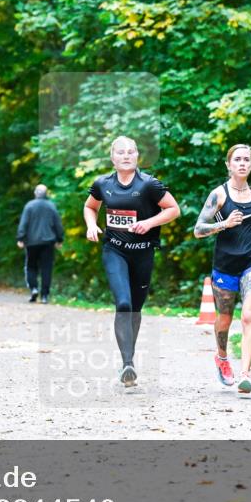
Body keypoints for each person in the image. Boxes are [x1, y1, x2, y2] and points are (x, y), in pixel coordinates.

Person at [83, 136, 181, 388]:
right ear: (112, 158)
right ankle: (128, 364)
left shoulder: (149, 184)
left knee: (135, 308)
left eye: (130, 152)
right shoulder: (102, 184)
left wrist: (149, 223)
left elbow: (173, 209)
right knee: (124, 303)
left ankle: (129, 359)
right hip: (114, 251)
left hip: (143, 252)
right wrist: (91, 225)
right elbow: (90, 207)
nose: (126, 155)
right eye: (121, 152)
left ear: (137, 156)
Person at [193, 143, 251, 393]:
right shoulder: (218, 195)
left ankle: (245, 375)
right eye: (237, 159)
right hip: (225, 266)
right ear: (229, 165)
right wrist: (224, 224)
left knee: (248, 315)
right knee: (225, 318)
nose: (242, 163)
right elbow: (198, 229)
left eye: (246, 159)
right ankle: (222, 357)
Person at [17, 184, 65, 304]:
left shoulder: (29, 206)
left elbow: (24, 223)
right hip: (48, 242)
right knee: (46, 268)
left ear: (35, 193)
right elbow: (58, 224)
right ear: (46, 194)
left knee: (31, 266)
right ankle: (44, 296)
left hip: (31, 242)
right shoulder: (51, 206)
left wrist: (21, 238)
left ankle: (33, 288)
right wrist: (59, 239)